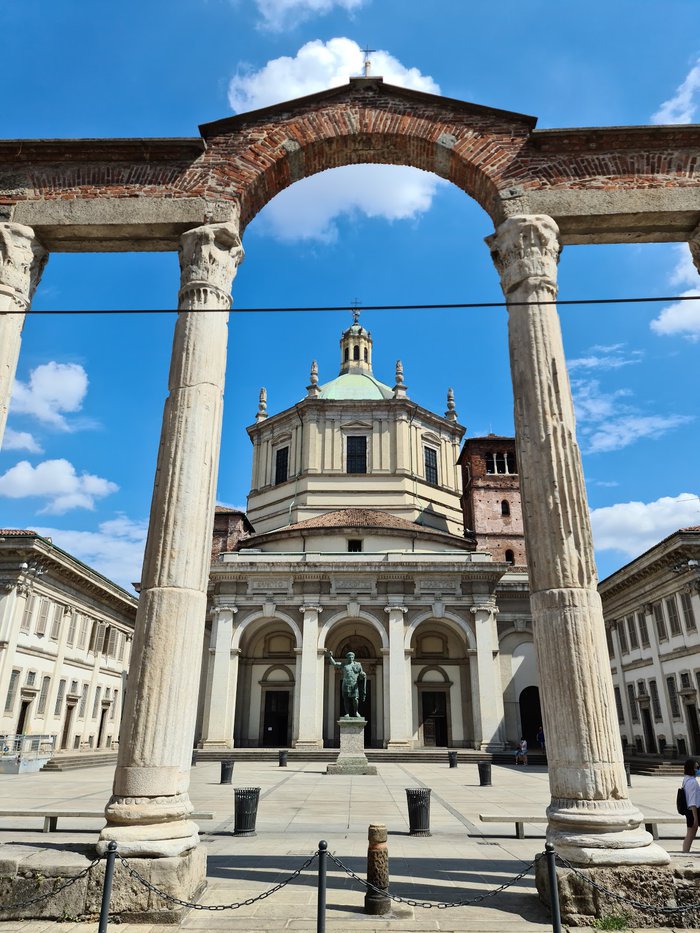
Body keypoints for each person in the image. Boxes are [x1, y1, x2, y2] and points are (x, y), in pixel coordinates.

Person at [327, 650, 366, 718]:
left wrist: (363, 675)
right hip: (346, 684)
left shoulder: (357, 665)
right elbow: (334, 664)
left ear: (353, 658)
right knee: (346, 699)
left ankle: (356, 711)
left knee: (355, 699)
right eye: (349, 657)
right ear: (347, 658)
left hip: (354, 684)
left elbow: (361, 674)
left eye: (352, 657)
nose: (351, 658)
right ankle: (347, 713)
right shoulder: (344, 665)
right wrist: (330, 656)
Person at [682, 757, 700, 853]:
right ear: (691, 768)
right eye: (696, 767)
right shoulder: (692, 782)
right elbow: (692, 802)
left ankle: (685, 852)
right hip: (694, 811)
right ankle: (685, 853)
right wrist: (695, 818)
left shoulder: (686, 780)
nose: (698, 770)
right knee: (690, 834)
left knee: (690, 834)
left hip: (689, 811)